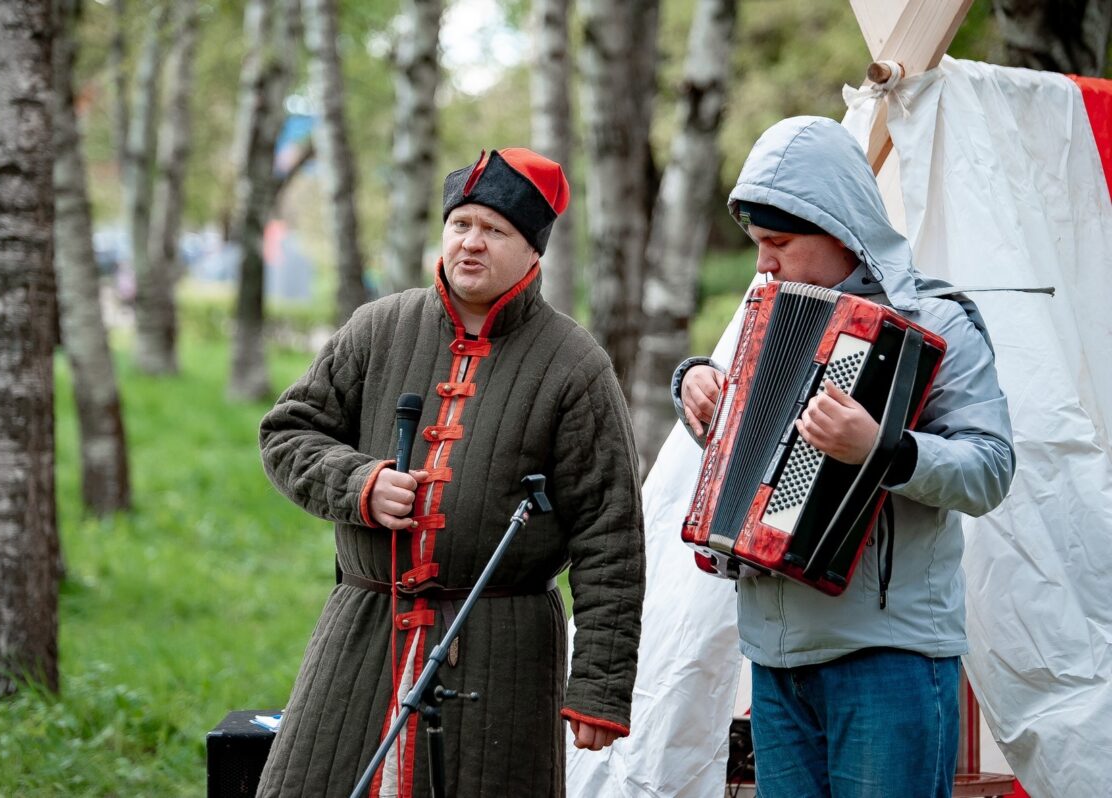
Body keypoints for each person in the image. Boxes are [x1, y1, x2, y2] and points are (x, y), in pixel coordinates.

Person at [255, 147, 645, 798]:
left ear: (532, 252)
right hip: (364, 630)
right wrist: (361, 484)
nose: (471, 243)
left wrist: (600, 687)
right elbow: (286, 431)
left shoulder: (575, 366)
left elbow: (612, 537)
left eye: (495, 231)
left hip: (504, 647)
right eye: (461, 224)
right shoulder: (378, 327)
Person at [673, 117, 1015, 797]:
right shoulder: (769, 312)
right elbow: (750, 453)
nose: (763, 263)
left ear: (840, 230)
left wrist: (883, 450)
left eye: (779, 242)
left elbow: (989, 469)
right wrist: (696, 388)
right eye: (756, 244)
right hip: (774, 655)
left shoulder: (936, 322)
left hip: (889, 656)